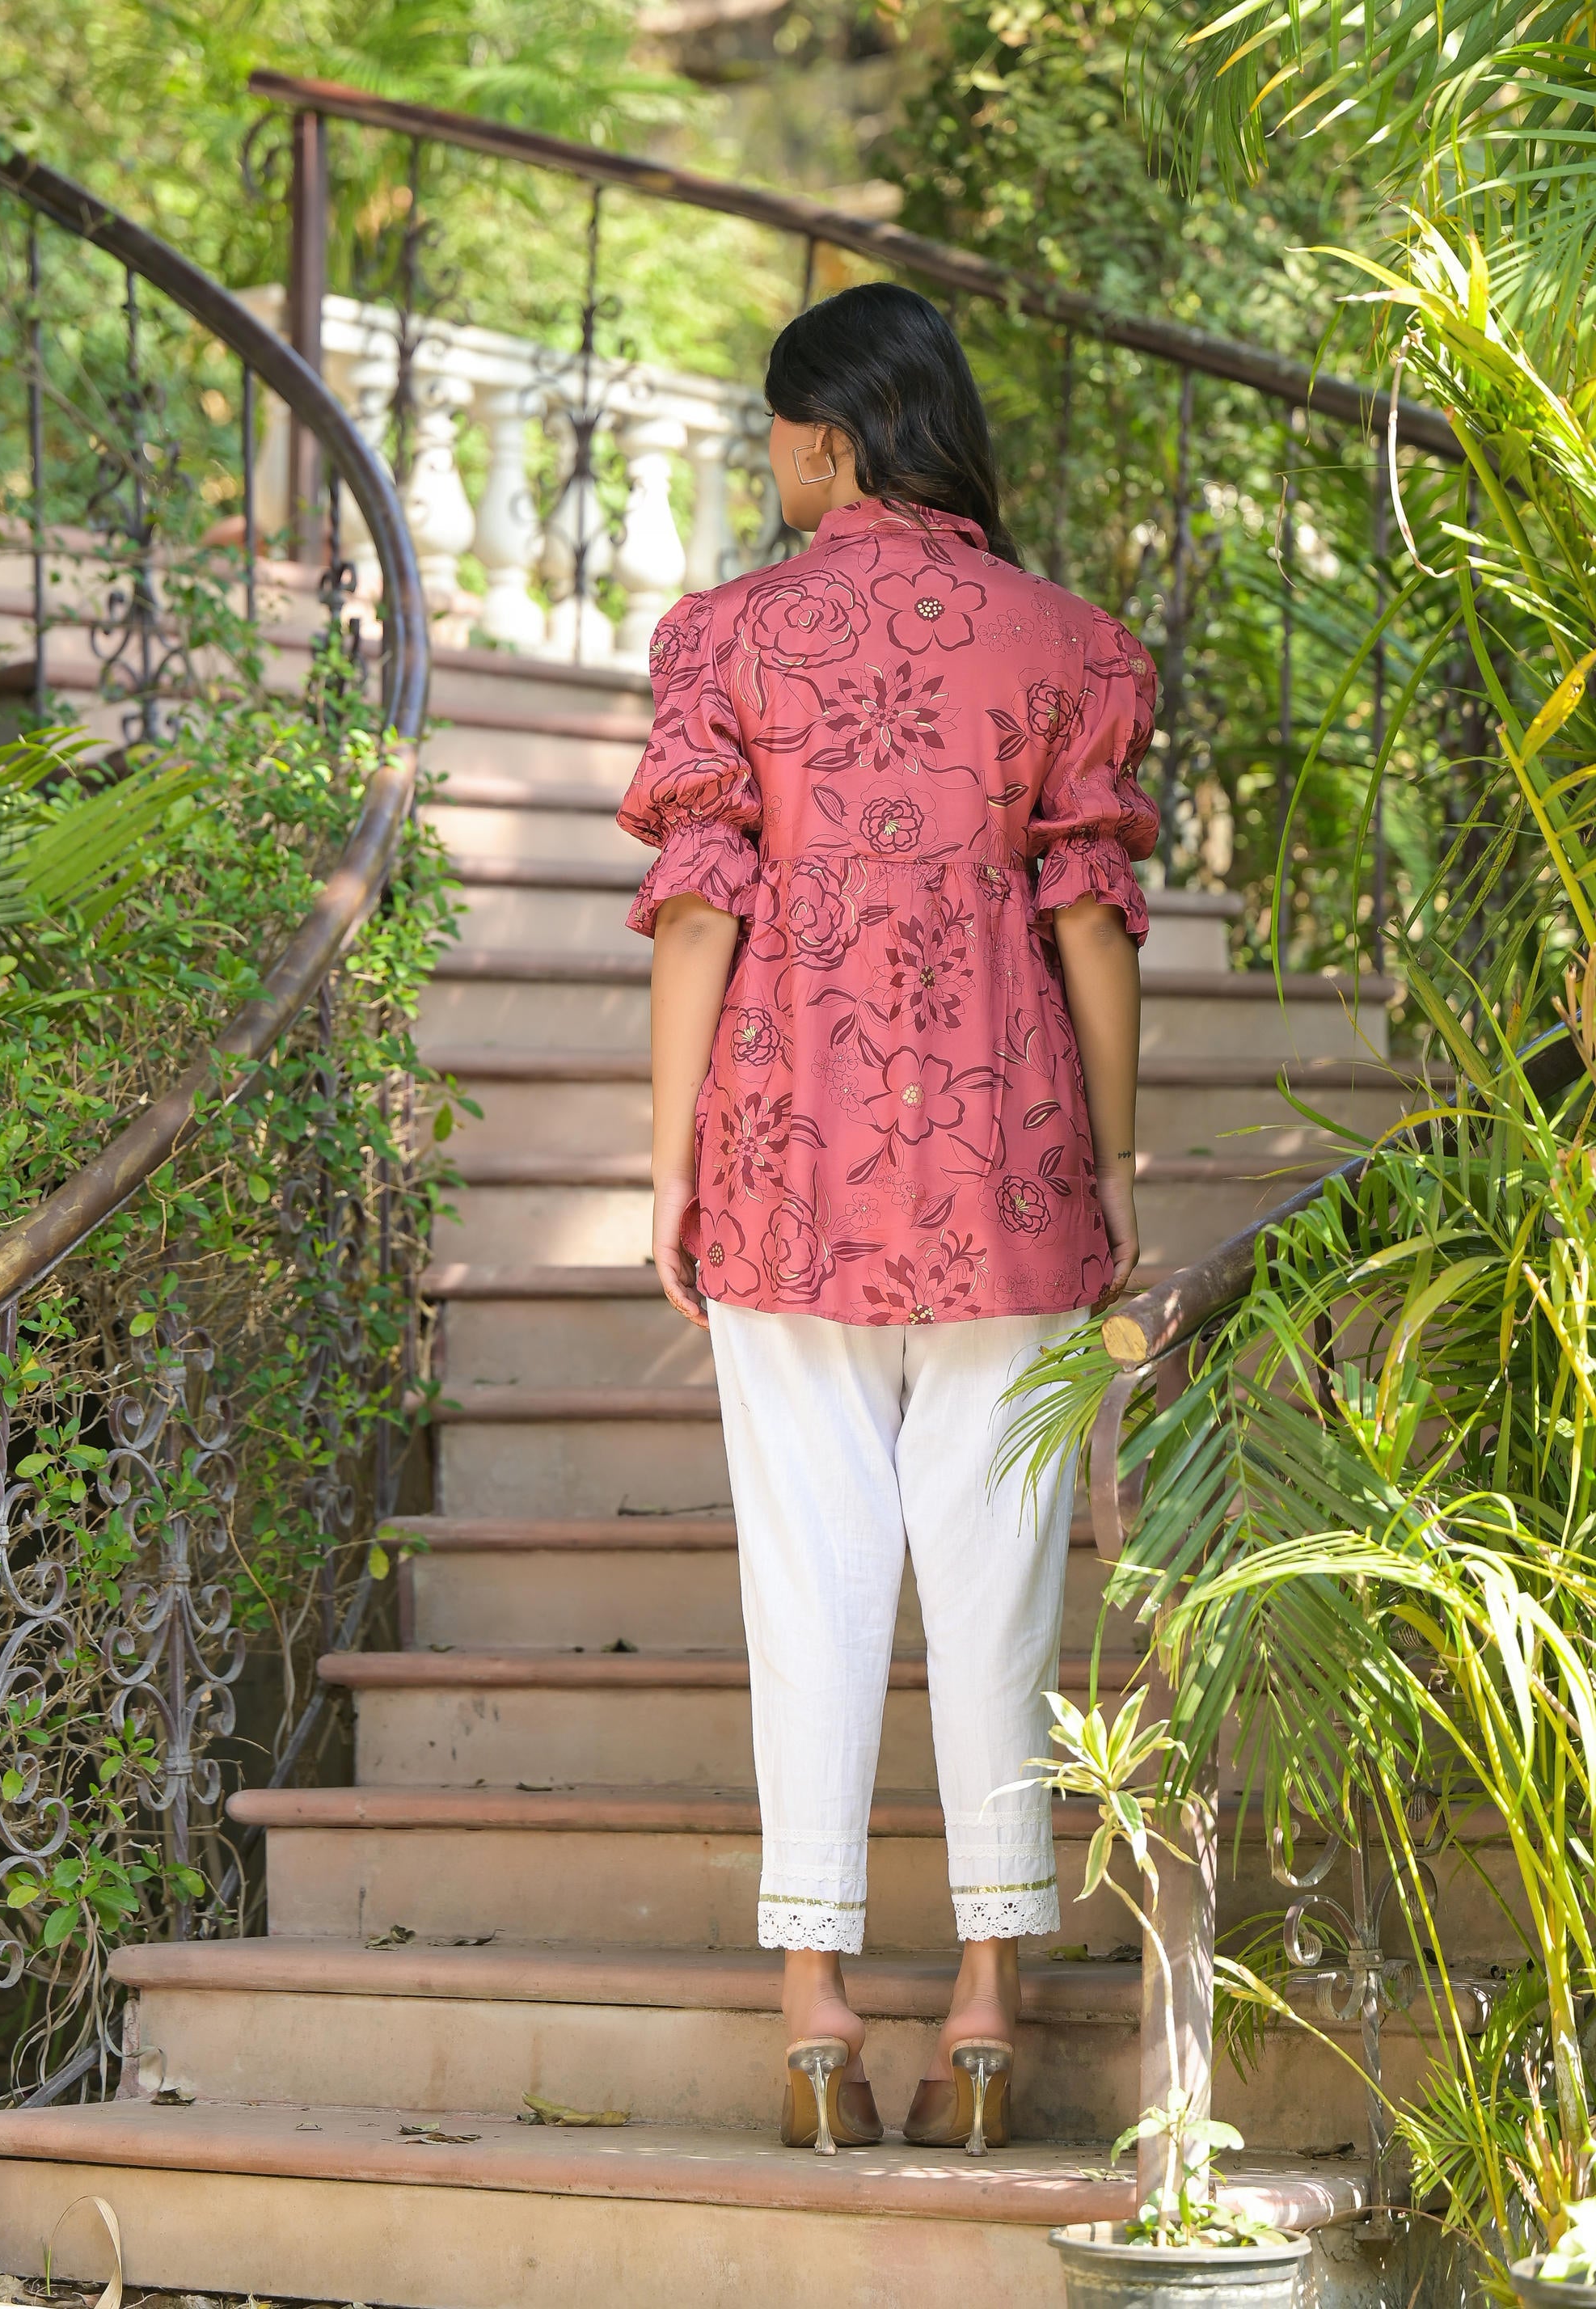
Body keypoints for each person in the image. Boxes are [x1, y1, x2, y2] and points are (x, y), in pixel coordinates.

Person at [617, 280, 1158, 2156]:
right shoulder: (1064, 644)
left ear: (830, 435)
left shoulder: (724, 640)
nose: (769, 463)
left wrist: (672, 1157)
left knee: (812, 1580)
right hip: (1008, 1175)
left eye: (776, 430)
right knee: (998, 1581)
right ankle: (992, 2006)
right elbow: (1089, 918)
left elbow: (701, 912)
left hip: (785, 1164)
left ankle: (816, 2009)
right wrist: (1112, 1161)